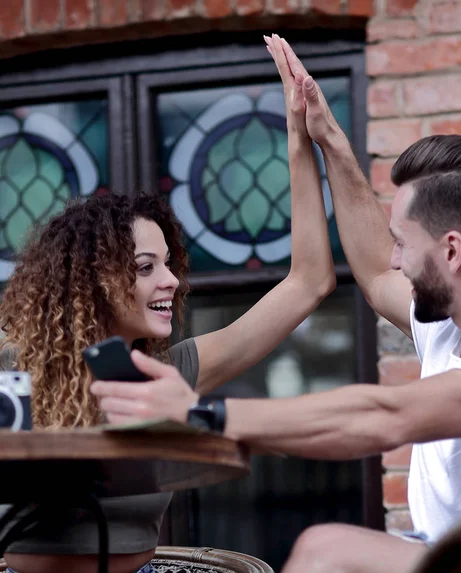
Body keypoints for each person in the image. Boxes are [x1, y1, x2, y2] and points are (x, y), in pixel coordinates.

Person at [92, 35, 461, 573]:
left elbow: (383, 417)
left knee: (325, 551)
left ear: (452, 250)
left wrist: (199, 414)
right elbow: (377, 268)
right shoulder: (451, 326)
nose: (397, 262)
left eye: (404, 244)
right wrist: (327, 137)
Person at [0, 37, 335, 573]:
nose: (173, 281)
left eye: (169, 263)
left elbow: (309, 283)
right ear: (89, 279)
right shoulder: (10, 368)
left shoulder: (167, 373)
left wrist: (299, 139)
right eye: (145, 267)